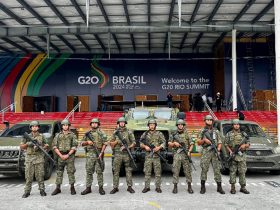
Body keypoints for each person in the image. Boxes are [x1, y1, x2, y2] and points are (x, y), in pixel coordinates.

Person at [197, 115, 225, 194]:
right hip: (206, 151)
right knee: (204, 169)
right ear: (205, 121)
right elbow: (198, 142)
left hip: (215, 152)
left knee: (217, 170)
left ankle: (219, 187)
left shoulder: (216, 131)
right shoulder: (202, 131)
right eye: (208, 120)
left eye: (210, 120)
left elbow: (219, 142)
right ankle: (203, 187)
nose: (209, 121)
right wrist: (204, 140)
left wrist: (218, 149)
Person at [20, 121, 49, 198]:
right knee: (28, 176)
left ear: (38, 127)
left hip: (39, 158)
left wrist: (41, 147)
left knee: (40, 175)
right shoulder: (26, 136)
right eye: (33, 126)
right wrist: (28, 144)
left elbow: (47, 145)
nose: (34, 127)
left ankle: (42, 190)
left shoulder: (42, 136)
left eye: (36, 126)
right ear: (31, 127)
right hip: (29, 159)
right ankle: (27, 191)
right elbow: (21, 146)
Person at [80, 118, 107, 195]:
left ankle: (101, 188)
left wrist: (101, 152)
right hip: (90, 154)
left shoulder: (101, 133)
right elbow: (81, 143)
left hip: (99, 153)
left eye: (96, 123)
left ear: (98, 124)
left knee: (99, 172)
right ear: (91, 124)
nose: (94, 124)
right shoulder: (87, 133)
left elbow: (105, 143)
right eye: (93, 123)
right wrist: (87, 142)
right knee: (89, 172)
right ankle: (88, 188)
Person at [109, 117, 136, 194]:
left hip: (127, 154)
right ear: (118, 123)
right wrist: (116, 142)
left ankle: (129, 187)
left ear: (125, 123)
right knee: (116, 171)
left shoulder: (129, 132)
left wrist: (127, 147)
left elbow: (134, 142)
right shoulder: (115, 132)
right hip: (117, 154)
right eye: (120, 122)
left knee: (128, 170)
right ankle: (115, 187)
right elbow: (111, 143)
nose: (122, 123)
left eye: (123, 122)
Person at [51, 119, 78, 196]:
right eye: (64, 125)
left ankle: (72, 187)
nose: (65, 126)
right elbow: (54, 146)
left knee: (71, 172)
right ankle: (58, 188)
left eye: (67, 125)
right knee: (59, 172)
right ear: (62, 126)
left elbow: (74, 146)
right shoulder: (58, 135)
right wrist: (60, 155)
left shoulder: (72, 135)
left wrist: (68, 155)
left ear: (69, 126)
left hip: (69, 156)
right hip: (60, 156)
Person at [168, 119, 194, 194]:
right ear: (177, 126)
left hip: (185, 154)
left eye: (181, 124)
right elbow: (169, 143)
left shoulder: (186, 133)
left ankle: (189, 187)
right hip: (177, 154)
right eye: (179, 125)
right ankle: (175, 187)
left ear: (183, 125)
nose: (180, 126)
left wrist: (189, 151)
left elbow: (192, 143)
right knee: (176, 170)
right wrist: (174, 144)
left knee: (187, 171)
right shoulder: (173, 134)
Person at [140, 119, 166, 193]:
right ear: (148, 126)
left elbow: (164, 142)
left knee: (157, 172)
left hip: (156, 156)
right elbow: (140, 143)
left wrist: (159, 147)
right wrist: (145, 147)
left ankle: (158, 187)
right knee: (147, 172)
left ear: (155, 125)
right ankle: (147, 187)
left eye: (153, 124)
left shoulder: (159, 133)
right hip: (148, 156)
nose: (152, 126)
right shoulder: (145, 134)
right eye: (150, 124)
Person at [225, 119, 250, 194]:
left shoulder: (243, 134)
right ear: (232, 125)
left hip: (241, 156)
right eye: (235, 124)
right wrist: (230, 152)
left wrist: (244, 145)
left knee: (242, 172)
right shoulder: (229, 134)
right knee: (232, 172)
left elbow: (248, 144)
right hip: (233, 155)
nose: (236, 125)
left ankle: (243, 187)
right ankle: (233, 188)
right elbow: (226, 144)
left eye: (238, 124)